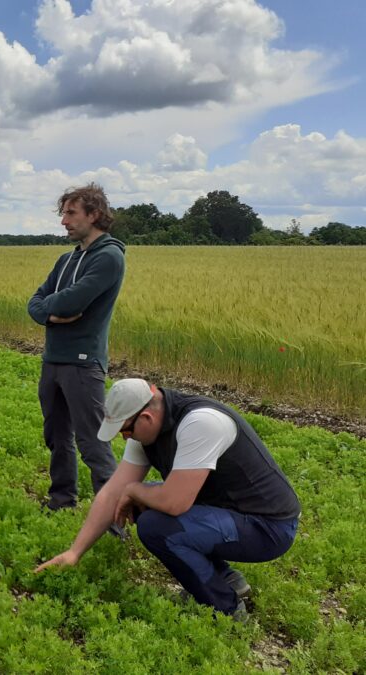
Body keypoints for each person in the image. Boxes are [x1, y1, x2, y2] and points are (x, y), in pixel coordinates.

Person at [35, 379, 301, 619]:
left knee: (156, 525)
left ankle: (226, 610)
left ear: (147, 417)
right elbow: (114, 491)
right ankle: (226, 579)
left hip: (268, 526)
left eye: (126, 432)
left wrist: (135, 491)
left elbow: (175, 502)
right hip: (228, 512)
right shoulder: (147, 429)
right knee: (144, 502)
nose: (125, 437)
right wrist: (74, 552)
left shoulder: (201, 423)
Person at [27, 183, 125, 512]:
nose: (63, 221)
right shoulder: (66, 259)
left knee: (93, 443)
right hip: (54, 359)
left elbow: (73, 301)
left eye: (71, 213)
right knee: (57, 436)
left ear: (94, 214)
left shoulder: (109, 257)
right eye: (63, 213)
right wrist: (50, 315)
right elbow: (35, 302)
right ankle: (61, 501)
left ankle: (112, 517)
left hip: (83, 364)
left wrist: (51, 310)